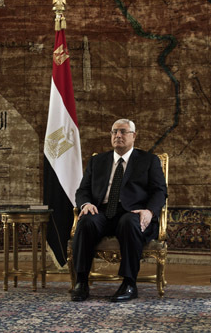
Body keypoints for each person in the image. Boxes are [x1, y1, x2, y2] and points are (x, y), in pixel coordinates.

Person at [70, 119, 167, 302]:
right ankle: (81, 282)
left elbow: (160, 191)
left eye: (123, 132)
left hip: (132, 213)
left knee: (130, 222)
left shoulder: (148, 160)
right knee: (86, 221)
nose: (118, 136)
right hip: (103, 212)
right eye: (114, 132)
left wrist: (150, 212)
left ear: (133, 136)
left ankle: (129, 284)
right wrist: (86, 204)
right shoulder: (97, 161)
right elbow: (83, 190)